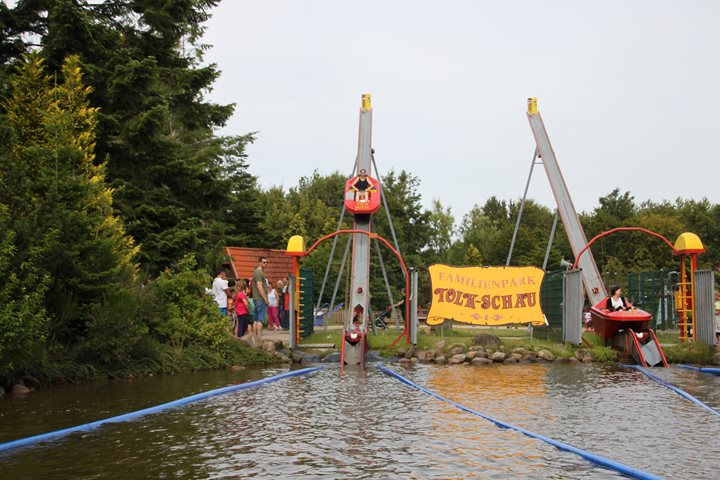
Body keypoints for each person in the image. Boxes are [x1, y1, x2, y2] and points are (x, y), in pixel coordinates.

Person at [252, 256, 269, 337]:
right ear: (259, 262)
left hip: (256, 298)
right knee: (260, 319)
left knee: (256, 319)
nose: (265, 264)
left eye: (266, 262)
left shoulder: (257, 272)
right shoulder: (259, 273)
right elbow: (259, 286)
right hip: (260, 298)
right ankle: (258, 337)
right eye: (264, 262)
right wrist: (265, 298)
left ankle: (255, 337)